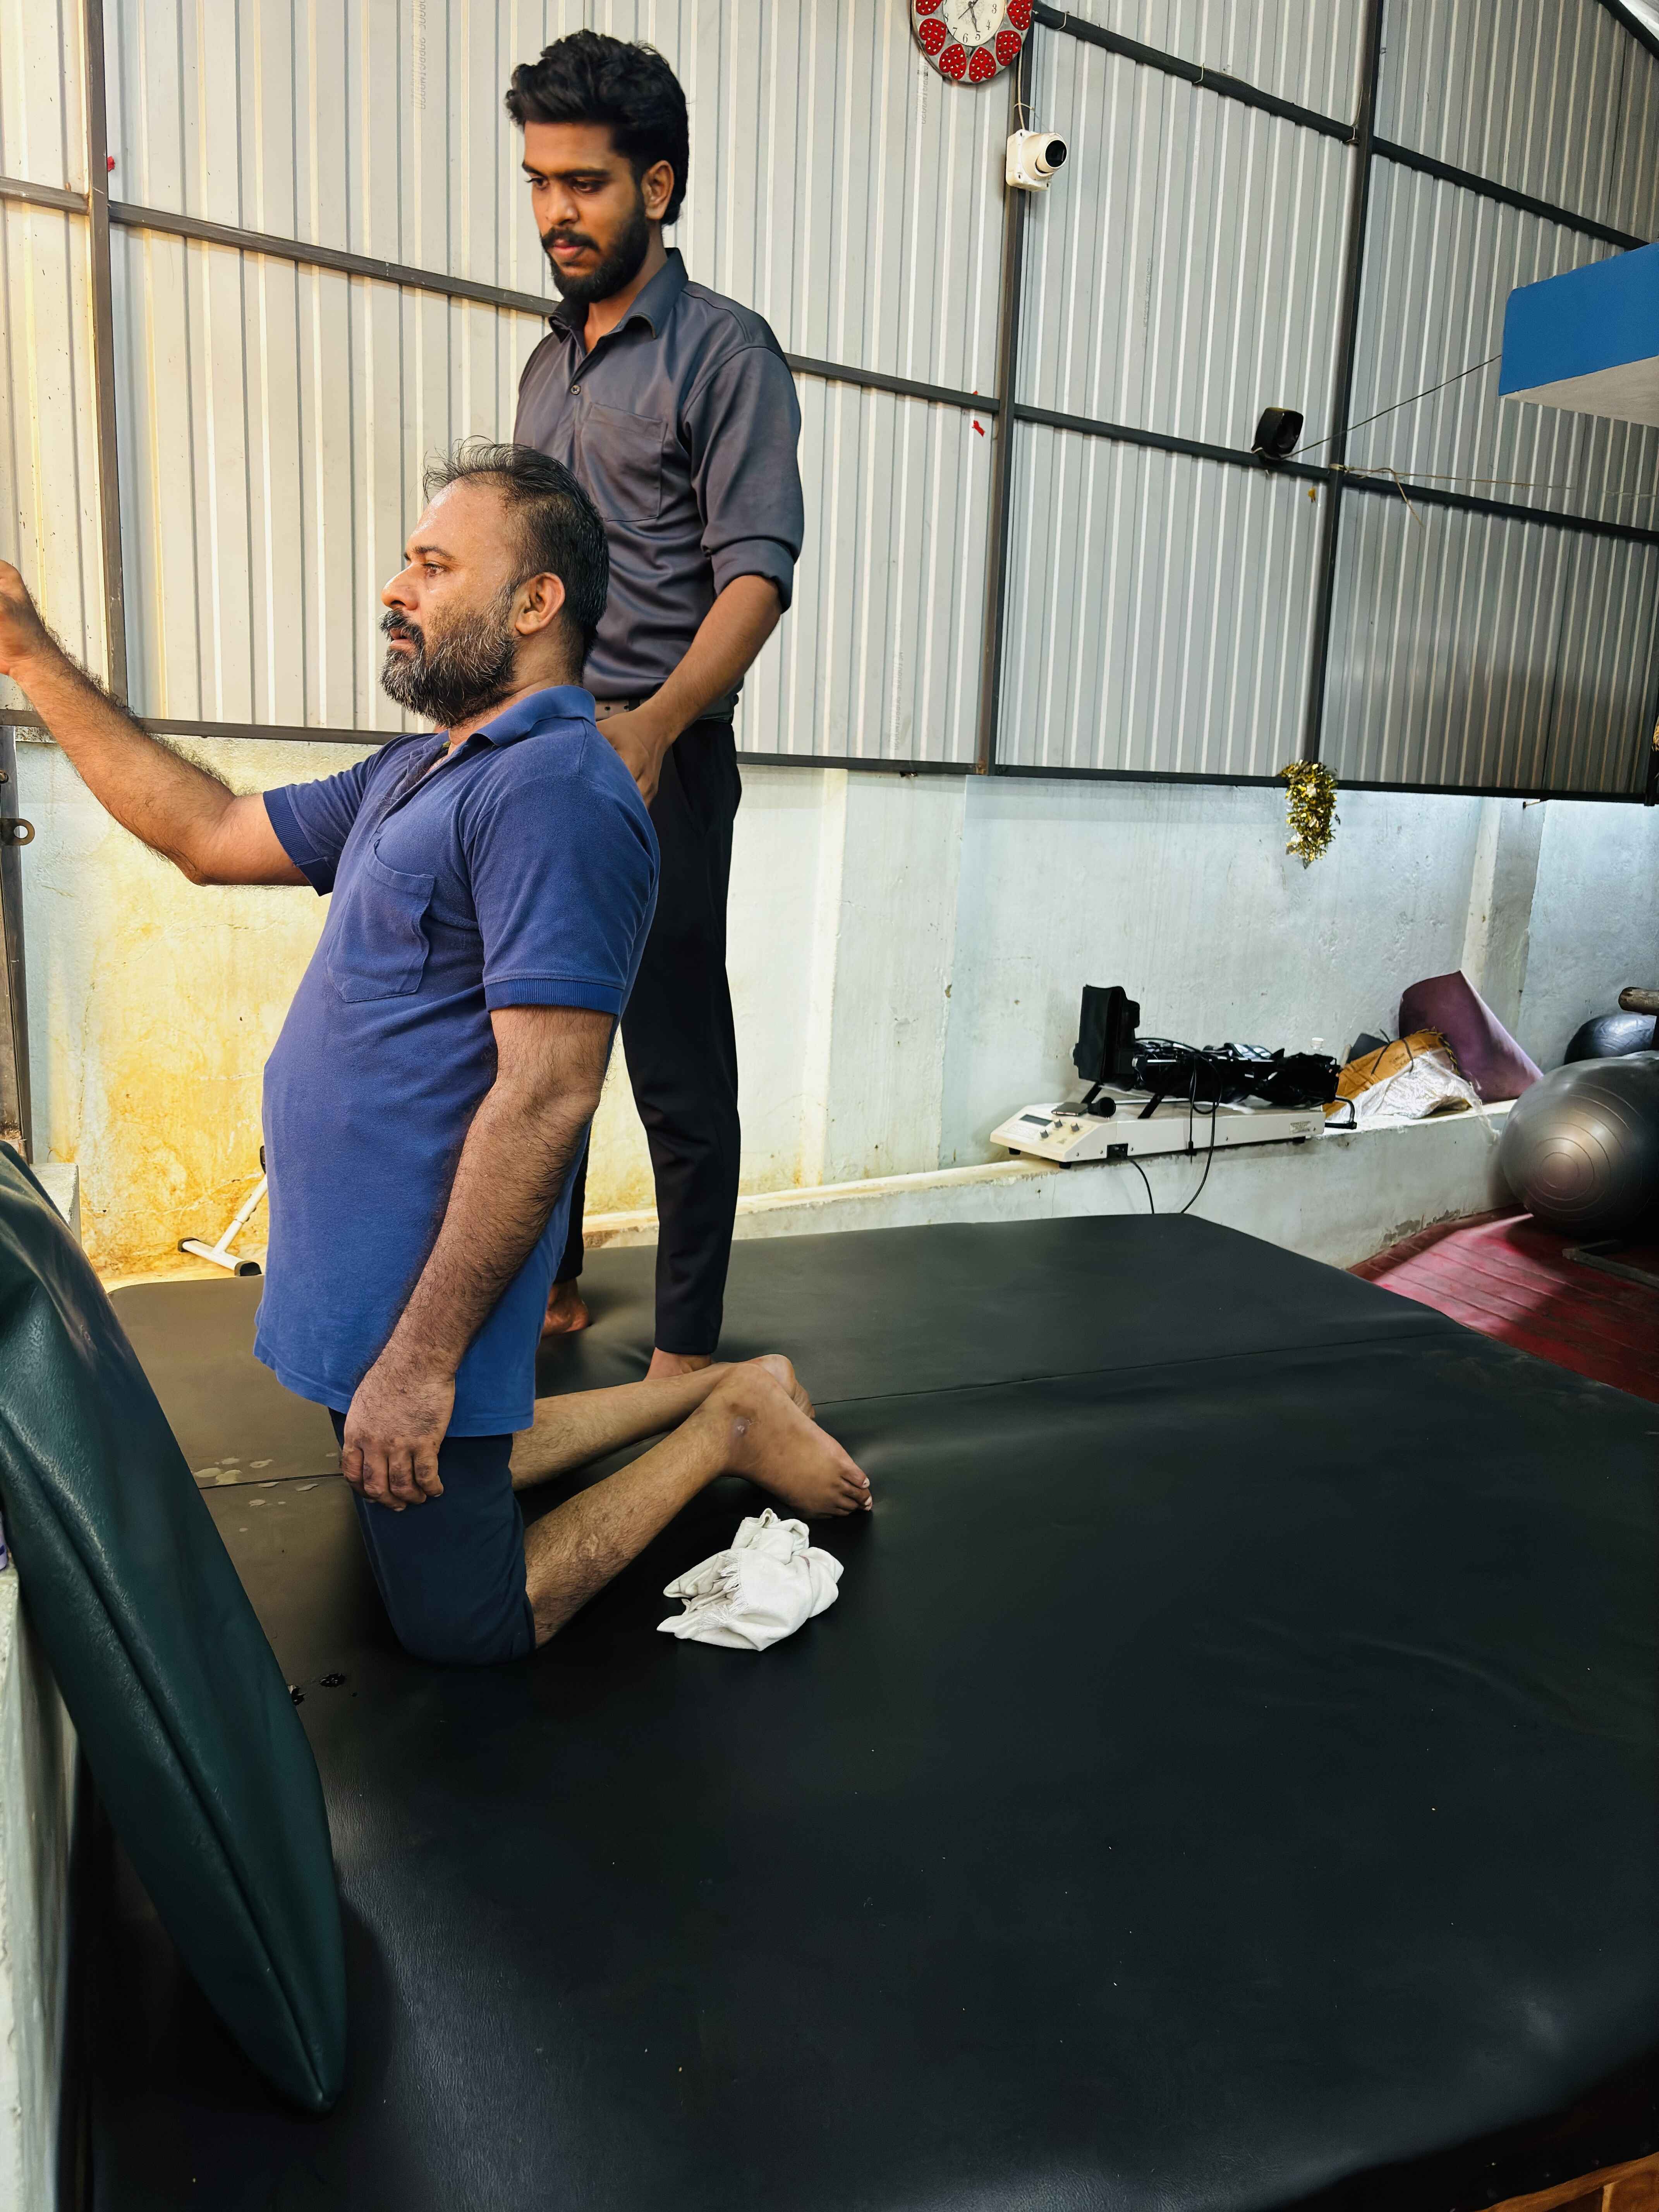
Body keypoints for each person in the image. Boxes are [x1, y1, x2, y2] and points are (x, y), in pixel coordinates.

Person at [0, 441, 868, 1669]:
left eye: (431, 564)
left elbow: (549, 1095)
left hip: (424, 1302)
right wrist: (28, 651)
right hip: (372, 1291)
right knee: (445, 1459)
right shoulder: (419, 771)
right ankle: (713, 1386)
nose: (395, 590)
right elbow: (205, 832)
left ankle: (720, 1422)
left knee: (464, 1623)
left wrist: (419, 1363)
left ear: (534, 603)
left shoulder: (557, 792)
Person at [507, 31, 804, 1380]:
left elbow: (756, 575)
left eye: (584, 183)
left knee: (673, 1055)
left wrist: (654, 726)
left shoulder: (726, 354)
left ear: (659, 185)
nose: (556, 213)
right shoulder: (542, 365)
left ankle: (686, 1343)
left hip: (660, 751)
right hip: (541, 753)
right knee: (532, 1031)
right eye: (537, 183)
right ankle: (547, 1282)